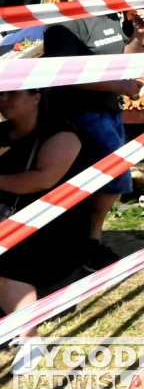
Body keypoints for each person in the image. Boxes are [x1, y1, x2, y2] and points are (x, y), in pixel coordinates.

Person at [42, 0, 144, 272]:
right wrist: (119, 86)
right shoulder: (67, 22)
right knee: (107, 179)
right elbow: (60, 78)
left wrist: (138, 37)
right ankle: (85, 246)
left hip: (108, 110)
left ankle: (89, 243)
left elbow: (122, 60)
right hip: (79, 115)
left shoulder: (110, 17)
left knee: (110, 180)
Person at [0, 89, 90, 374]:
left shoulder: (62, 134)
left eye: (11, 94)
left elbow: (42, 180)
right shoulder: (2, 133)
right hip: (10, 219)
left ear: (36, 96)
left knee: (5, 257)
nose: (2, 101)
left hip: (53, 229)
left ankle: (29, 339)